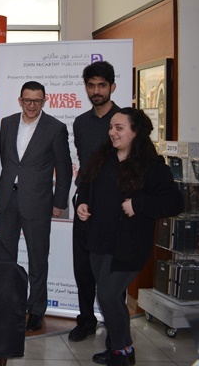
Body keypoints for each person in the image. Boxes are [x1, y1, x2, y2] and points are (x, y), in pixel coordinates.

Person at [76, 108, 182, 366]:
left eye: (119, 128)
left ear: (135, 132)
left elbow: (174, 202)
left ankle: (122, 350)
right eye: (111, 127)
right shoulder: (102, 157)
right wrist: (82, 203)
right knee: (108, 297)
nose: (112, 132)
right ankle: (119, 347)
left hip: (129, 245)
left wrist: (138, 204)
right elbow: (86, 185)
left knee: (108, 295)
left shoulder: (152, 166)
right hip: (99, 239)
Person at [0, 81, 72, 333]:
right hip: (8, 200)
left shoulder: (56, 128)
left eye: (37, 101)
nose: (31, 105)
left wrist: (59, 203)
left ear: (44, 101)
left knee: (38, 258)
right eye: (27, 100)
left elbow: (64, 169)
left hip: (38, 202)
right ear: (20, 100)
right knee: (6, 258)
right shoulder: (7, 123)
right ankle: (9, 305)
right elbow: (7, 160)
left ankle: (37, 309)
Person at [69, 61, 121, 342]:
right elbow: (85, 163)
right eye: (91, 85)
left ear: (112, 86)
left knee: (111, 272)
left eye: (102, 85)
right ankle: (86, 320)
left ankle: (116, 330)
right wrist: (81, 197)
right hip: (84, 202)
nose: (96, 91)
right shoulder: (80, 122)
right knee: (83, 268)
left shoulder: (125, 120)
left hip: (114, 206)